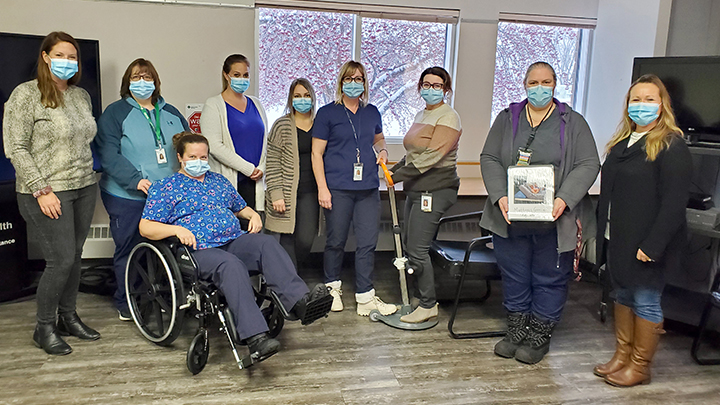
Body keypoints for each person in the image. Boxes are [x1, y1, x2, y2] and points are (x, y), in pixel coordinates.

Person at [138, 131, 332, 361]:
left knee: (267, 244)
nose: (199, 162)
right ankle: (256, 338)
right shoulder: (166, 187)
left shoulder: (218, 181)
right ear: (180, 157)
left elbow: (240, 207)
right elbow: (145, 227)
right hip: (199, 250)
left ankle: (300, 302)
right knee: (229, 265)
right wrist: (176, 230)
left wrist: (253, 216)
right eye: (192, 157)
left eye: (203, 157)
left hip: (233, 239)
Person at [480, 61, 600, 364]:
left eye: (546, 82)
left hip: (554, 219)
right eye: (533, 82)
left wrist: (565, 198)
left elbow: (588, 163)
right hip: (511, 217)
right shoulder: (507, 119)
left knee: (549, 277)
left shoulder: (573, 122)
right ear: (524, 84)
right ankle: (517, 330)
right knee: (515, 275)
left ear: (555, 84)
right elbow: (490, 157)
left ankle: (539, 334)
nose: (540, 88)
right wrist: (500, 196)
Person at [3, 31, 100, 355]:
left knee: (74, 257)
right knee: (60, 260)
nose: (67, 62)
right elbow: (16, 147)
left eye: (72, 57)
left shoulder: (80, 96)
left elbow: (84, 141)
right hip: (45, 191)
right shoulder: (25, 95)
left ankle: (68, 317)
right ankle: (43, 327)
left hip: (84, 186)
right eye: (60, 55)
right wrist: (42, 189)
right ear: (45, 57)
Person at [594, 74, 691, 387]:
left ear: (662, 105)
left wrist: (653, 245)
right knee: (622, 294)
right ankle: (622, 356)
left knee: (646, 299)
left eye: (649, 99)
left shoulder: (671, 145)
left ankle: (640, 366)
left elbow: (674, 204)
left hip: (648, 242)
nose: (641, 106)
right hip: (619, 237)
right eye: (636, 99)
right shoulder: (621, 143)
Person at [95, 58, 189, 321]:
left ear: (156, 82)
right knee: (130, 249)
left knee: (165, 248)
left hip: (166, 195)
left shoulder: (170, 112)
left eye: (147, 77)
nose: (142, 83)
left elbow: (188, 146)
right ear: (128, 83)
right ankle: (127, 303)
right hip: (127, 195)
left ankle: (161, 296)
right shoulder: (115, 113)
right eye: (136, 78)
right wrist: (135, 179)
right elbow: (108, 153)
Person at [312, 60, 397, 316]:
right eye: (348, 79)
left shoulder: (372, 111)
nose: (353, 84)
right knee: (336, 240)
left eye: (358, 79)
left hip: (368, 188)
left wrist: (382, 150)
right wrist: (322, 189)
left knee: (367, 242)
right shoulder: (327, 113)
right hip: (337, 187)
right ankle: (332, 288)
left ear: (365, 83)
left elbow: (379, 138)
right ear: (341, 83)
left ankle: (365, 296)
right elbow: (317, 153)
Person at [389, 67, 462, 323]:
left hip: (436, 189)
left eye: (437, 85)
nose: (431, 89)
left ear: (446, 89)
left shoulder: (449, 117)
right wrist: (393, 170)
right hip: (417, 189)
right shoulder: (423, 114)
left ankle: (429, 305)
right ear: (420, 87)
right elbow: (413, 154)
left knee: (418, 250)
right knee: (410, 245)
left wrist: (397, 176)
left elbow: (432, 156)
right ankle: (422, 297)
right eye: (426, 84)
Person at [201, 54, 268, 213]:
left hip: (256, 182)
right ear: (226, 75)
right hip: (231, 181)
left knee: (256, 232)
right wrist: (248, 169)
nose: (242, 79)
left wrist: (262, 168)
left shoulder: (256, 104)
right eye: (236, 75)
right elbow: (214, 146)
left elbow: (267, 142)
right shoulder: (214, 105)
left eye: (245, 75)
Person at [265, 78, 321, 269]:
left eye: (306, 96)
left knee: (306, 239)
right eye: (297, 96)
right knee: (286, 240)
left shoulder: (320, 124)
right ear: (290, 99)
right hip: (286, 193)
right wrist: (276, 194)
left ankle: (293, 278)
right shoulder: (281, 125)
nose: (302, 100)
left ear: (312, 98)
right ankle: (292, 287)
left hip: (311, 192)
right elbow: (271, 163)